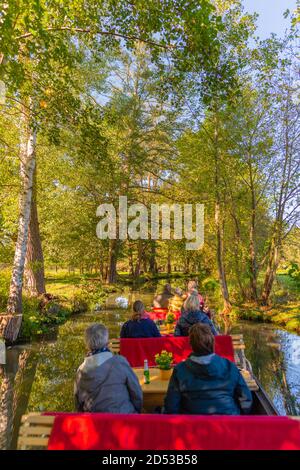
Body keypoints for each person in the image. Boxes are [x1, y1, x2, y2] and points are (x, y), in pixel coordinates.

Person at [164, 323, 253, 415]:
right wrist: (239, 417)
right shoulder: (230, 366)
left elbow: (171, 407)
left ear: (191, 345)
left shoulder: (180, 369)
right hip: (228, 423)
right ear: (212, 342)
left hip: (193, 425)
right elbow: (246, 400)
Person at [74, 323, 142, 413]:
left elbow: (78, 404)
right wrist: (137, 411)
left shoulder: (80, 371)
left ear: (87, 344)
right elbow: (136, 393)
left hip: (95, 423)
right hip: (124, 419)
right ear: (106, 341)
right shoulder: (120, 362)